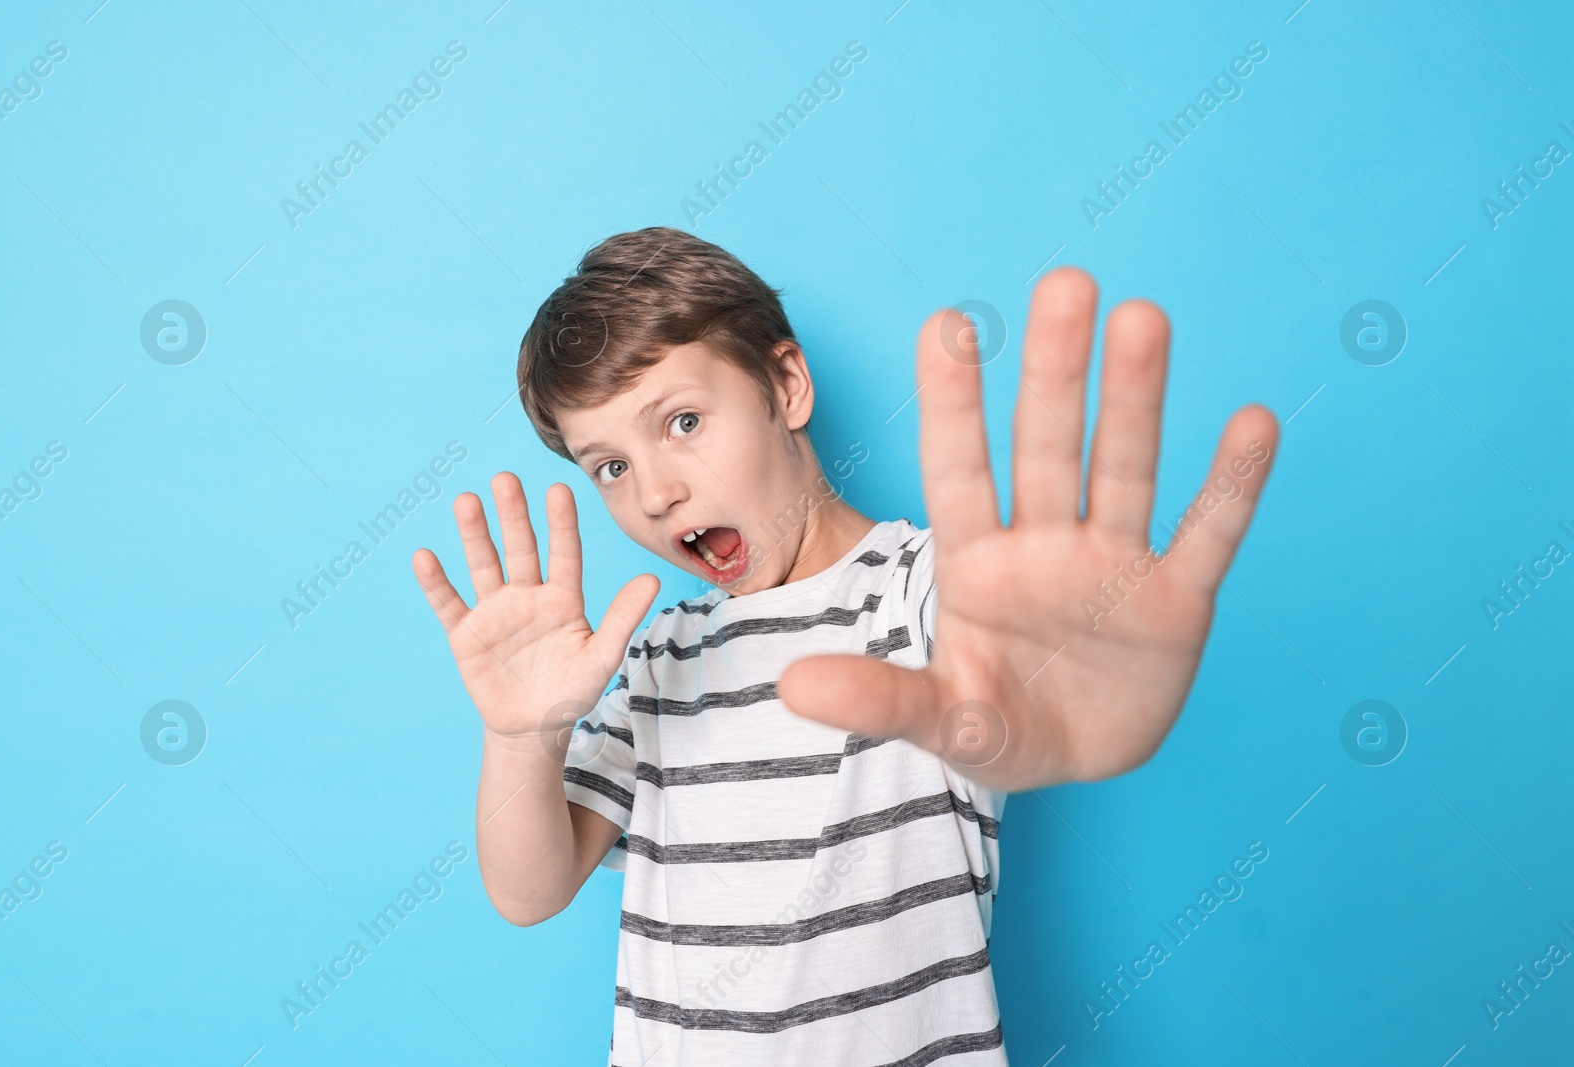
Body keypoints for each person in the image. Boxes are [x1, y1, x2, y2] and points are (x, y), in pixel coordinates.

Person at [410, 226, 1278, 1065]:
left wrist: (1091, 643)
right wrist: (523, 733)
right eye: (611, 466)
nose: (658, 493)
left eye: (681, 422)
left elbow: (1023, 648)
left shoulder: (923, 589)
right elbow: (531, 889)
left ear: (785, 384)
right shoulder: (662, 659)